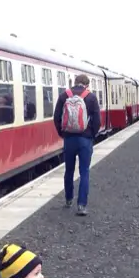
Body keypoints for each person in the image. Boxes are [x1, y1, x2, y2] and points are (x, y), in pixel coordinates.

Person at [53, 74, 101, 216]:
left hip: (69, 139)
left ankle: (68, 199)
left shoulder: (64, 96)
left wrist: (63, 134)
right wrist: (91, 134)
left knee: (69, 170)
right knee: (84, 171)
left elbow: (56, 118)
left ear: (75, 83)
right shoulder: (91, 97)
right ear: (86, 85)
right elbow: (97, 121)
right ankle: (81, 205)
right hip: (85, 139)